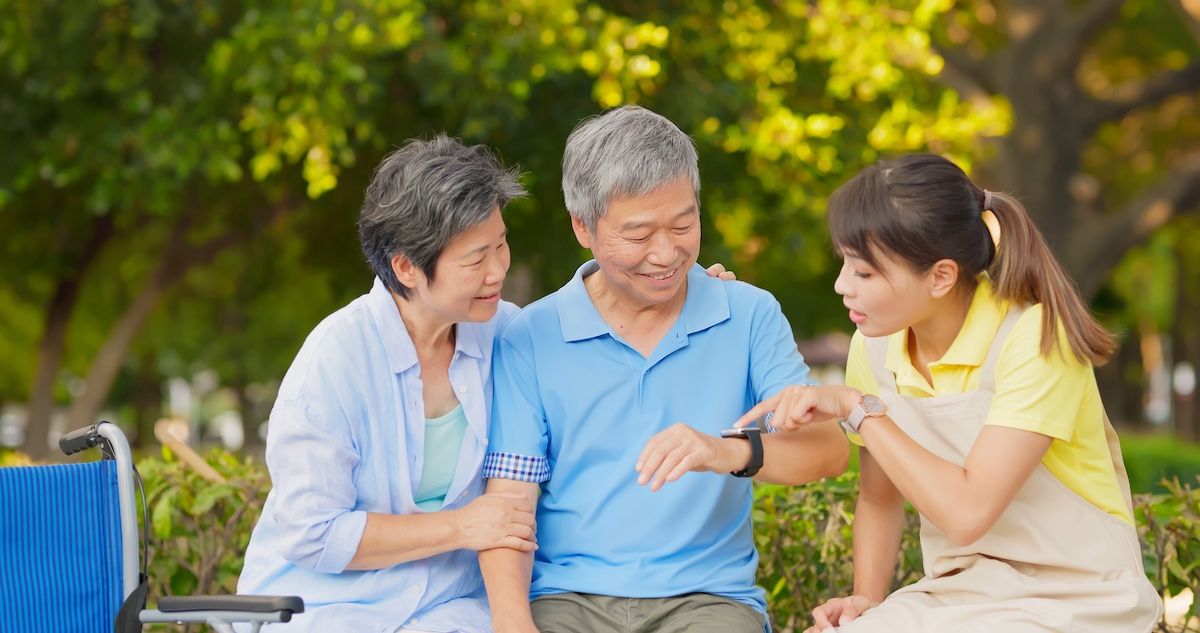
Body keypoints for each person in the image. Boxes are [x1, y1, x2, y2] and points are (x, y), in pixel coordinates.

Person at [237, 135, 737, 632]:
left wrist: (683, 301)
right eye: (476, 260)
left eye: (501, 244)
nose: (499, 268)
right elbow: (312, 533)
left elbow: (610, 352)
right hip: (327, 609)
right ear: (406, 267)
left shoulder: (508, 333)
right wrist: (460, 526)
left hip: (449, 610)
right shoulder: (337, 360)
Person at [734, 154, 1162, 632]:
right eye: (845, 265)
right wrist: (864, 601)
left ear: (940, 276)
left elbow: (966, 513)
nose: (841, 286)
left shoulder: (1037, 337)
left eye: (865, 273)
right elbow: (879, 499)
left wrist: (858, 409)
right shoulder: (873, 348)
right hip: (964, 591)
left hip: (1080, 593)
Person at [477, 105, 849, 633]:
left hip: (708, 603)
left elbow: (829, 452)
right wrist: (514, 624)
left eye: (683, 223)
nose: (666, 252)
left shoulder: (747, 314)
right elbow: (510, 503)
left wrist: (725, 451)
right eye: (638, 233)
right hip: (567, 602)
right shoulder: (528, 339)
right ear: (582, 226)